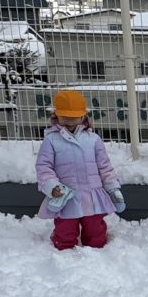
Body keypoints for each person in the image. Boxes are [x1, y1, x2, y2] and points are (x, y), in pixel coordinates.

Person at [36, 89, 124, 250]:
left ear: (83, 116)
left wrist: (112, 187)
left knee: (95, 229)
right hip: (66, 195)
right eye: (65, 117)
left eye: (74, 117)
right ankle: (64, 253)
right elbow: (44, 167)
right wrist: (52, 186)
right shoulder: (51, 140)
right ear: (56, 115)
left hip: (93, 194)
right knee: (65, 229)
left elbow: (104, 166)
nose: (69, 121)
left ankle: (98, 253)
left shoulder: (93, 139)